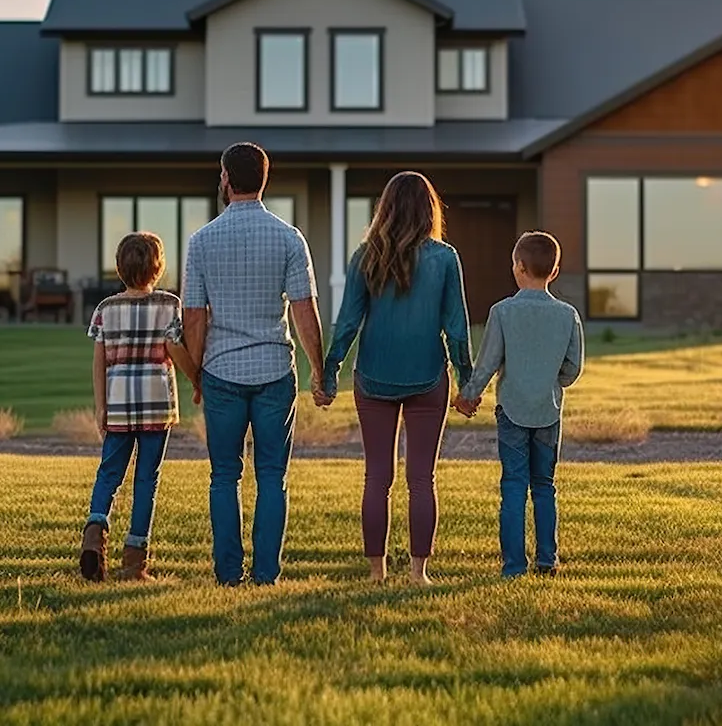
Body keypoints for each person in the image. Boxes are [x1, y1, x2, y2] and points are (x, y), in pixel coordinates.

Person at [182, 142, 326, 587]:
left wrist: (196, 374)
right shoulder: (289, 237)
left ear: (226, 179)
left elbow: (194, 316)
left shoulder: (201, 241)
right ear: (265, 179)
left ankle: (228, 575)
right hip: (274, 372)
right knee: (272, 477)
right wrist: (319, 371)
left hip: (222, 372)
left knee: (224, 476)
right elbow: (304, 311)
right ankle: (266, 574)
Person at [320, 172, 474, 586]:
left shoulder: (364, 255)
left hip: (372, 378)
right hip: (427, 378)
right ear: (430, 211)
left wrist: (330, 372)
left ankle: (376, 572)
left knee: (377, 477)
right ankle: (418, 573)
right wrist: (467, 381)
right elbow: (456, 327)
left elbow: (348, 322)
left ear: (384, 208)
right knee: (422, 479)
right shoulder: (445, 257)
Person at [455, 231, 584, 578]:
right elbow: (572, 370)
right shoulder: (568, 315)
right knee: (544, 485)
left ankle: (513, 566)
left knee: (513, 485)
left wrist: (468, 394)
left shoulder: (502, 312)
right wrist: (549, 380)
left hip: (511, 411)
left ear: (519, 267)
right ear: (554, 272)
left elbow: (488, 363)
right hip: (548, 411)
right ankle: (547, 560)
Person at [81, 231, 199, 583]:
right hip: (156, 408)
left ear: (119, 268)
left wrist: (101, 407)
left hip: (117, 407)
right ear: (158, 268)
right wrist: (197, 379)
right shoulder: (168, 305)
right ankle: (134, 562)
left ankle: (94, 532)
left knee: (109, 475)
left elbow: (99, 361)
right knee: (146, 479)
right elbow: (175, 349)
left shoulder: (106, 309)